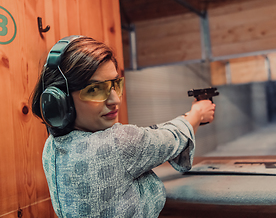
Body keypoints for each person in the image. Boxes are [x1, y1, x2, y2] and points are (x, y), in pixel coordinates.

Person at [31, 35, 215, 217]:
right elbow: (171, 138)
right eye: (95, 89)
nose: (115, 99)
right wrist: (197, 114)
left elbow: (145, 137)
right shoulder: (118, 143)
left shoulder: (51, 147)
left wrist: (187, 117)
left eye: (115, 84)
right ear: (60, 101)